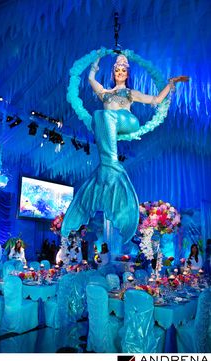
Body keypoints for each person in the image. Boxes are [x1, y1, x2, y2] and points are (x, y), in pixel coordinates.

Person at [61, 54, 189, 244]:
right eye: (117, 70)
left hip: (127, 121)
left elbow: (154, 100)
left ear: (127, 73)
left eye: (123, 70)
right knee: (100, 116)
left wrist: (170, 85)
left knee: (104, 116)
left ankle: (111, 165)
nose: (120, 73)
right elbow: (89, 79)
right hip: (109, 122)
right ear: (113, 73)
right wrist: (97, 59)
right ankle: (109, 170)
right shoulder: (104, 93)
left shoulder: (129, 93)